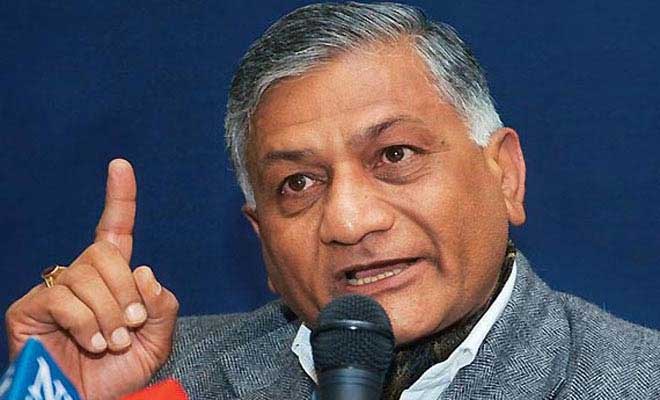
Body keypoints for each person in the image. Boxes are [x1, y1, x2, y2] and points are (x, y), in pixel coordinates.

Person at [5, 2, 659, 399]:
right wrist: (51, 394)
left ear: (505, 175)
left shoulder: (637, 379)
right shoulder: (151, 378)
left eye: (395, 155)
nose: (348, 221)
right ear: (262, 239)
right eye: (298, 184)